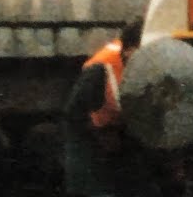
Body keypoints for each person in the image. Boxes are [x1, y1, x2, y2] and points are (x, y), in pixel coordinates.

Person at [63, 18, 151, 197]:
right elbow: (73, 115)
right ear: (129, 51)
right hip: (89, 140)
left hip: (121, 135)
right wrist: (101, 135)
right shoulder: (100, 70)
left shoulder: (154, 66)